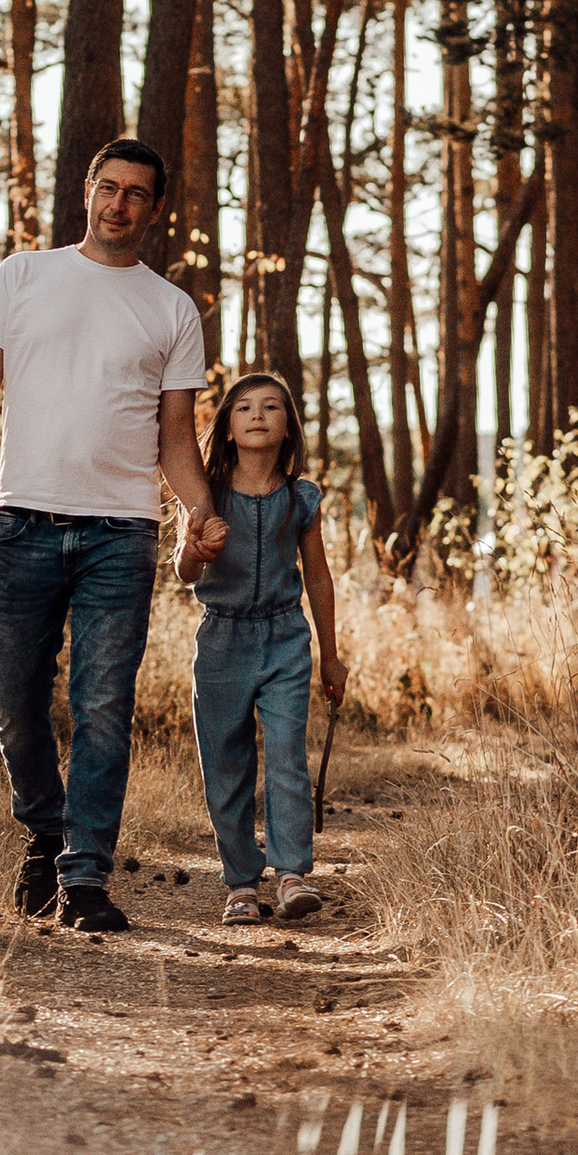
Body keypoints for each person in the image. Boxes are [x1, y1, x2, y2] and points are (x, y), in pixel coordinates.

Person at [0, 136, 227, 934]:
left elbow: (175, 442)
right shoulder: (24, 275)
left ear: (154, 211)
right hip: (22, 521)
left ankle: (85, 875)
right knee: (14, 696)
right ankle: (44, 828)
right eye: (108, 187)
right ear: (88, 190)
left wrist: (200, 507)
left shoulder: (170, 309)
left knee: (100, 704)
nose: (117, 204)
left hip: (120, 535)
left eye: (135, 193)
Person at [176, 369, 348, 927]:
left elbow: (317, 576)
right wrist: (199, 549)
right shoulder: (203, 491)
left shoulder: (301, 497)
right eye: (244, 407)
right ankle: (242, 885)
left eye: (272, 407)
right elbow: (183, 569)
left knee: (286, 759)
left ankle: (293, 874)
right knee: (225, 764)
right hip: (222, 637)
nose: (257, 415)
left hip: (285, 637)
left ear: (287, 427)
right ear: (226, 426)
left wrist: (332, 654)